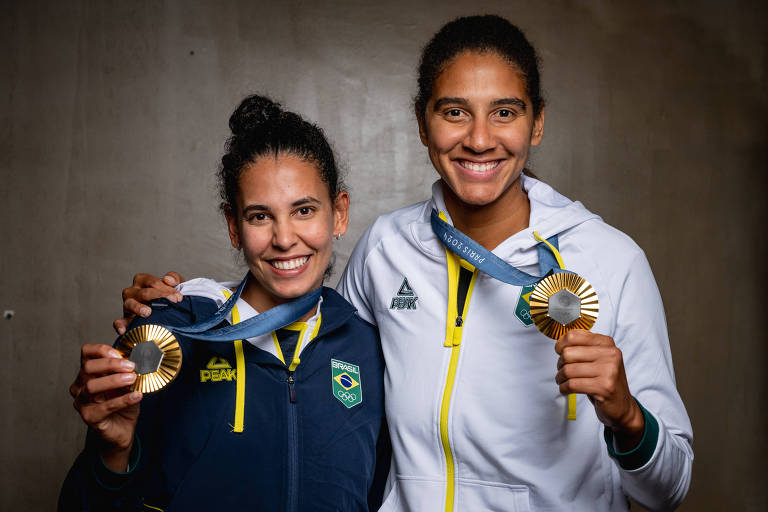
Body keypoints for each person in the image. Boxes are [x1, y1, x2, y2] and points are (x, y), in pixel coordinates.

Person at [117, 15, 693, 512]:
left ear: (536, 122)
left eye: (505, 112)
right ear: (423, 124)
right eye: (454, 112)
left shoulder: (612, 261)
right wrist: (186, 307)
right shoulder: (388, 246)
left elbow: (671, 488)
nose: (479, 138)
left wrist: (627, 416)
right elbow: (307, 317)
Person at [60, 95, 389, 511]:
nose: (285, 239)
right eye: (259, 216)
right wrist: (113, 454)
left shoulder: (367, 347)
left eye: (304, 210)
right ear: (233, 226)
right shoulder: (172, 336)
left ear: (338, 213)